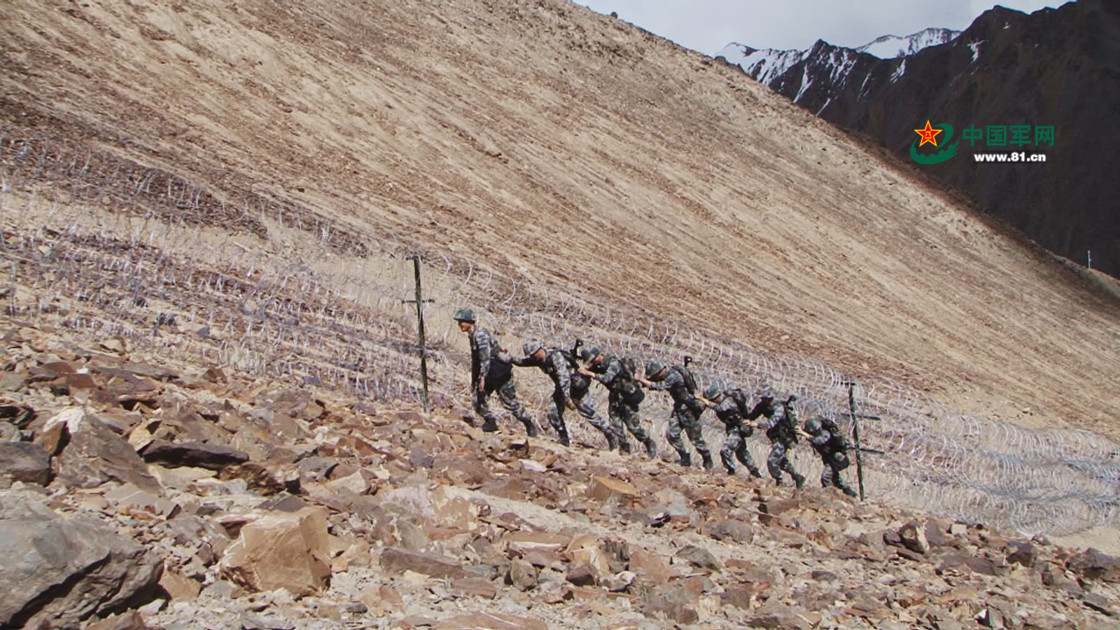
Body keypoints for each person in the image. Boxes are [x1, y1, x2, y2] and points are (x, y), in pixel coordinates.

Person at [512, 339, 617, 448]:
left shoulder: (555, 356)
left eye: (533, 354)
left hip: (576, 388)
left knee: (589, 414)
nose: (532, 357)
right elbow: (522, 362)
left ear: (539, 349)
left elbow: (564, 378)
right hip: (562, 389)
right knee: (553, 412)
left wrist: (567, 398)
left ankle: (611, 435)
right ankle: (564, 438)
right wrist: (509, 358)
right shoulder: (539, 359)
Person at [454, 308, 538, 437]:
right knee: (478, 399)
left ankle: (529, 423)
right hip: (488, 373)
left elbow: (485, 358)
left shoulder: (480, 335)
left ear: (469, 321)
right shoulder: (472, 335)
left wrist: (482, 378)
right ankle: (490, 422)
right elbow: (476, 360)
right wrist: (474, 380)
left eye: (462, 321)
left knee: (510, 403)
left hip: (499, 372)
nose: (460, 324)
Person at [579, 347, 656, 457]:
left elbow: (607, 378)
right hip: (615, 397)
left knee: (633, 427)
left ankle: (649, 443)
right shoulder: (600, 366)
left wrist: (590, 373)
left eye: (593, 359)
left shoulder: (613, 363)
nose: (593, 362)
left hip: (627, 397)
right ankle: (624, 449)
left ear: (599, 355)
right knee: (615, 424)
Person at [638, 359, 713, 469]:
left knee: (696, 439)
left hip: (689, 410)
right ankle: (684, 457)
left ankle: (707, 459)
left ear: (660, 371)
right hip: (679, 409)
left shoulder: (673, 376)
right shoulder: (668, 375)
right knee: (672, 434)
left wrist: (641, 379)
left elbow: (660, 386)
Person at [745, 386, 805, 488]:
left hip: (784, 437)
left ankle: (779, 481)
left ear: (770, 398)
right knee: (780, 461)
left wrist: (756, 424)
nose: (762, 400)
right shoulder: (762, 405)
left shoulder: (778, 408)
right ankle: (797, 477)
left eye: (764, 398)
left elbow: (770, 423)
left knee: (772, 461)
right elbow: (752, 416)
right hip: (776, 436)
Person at [703, 383, 764, 478]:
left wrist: (704, 401)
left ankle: (731, 472)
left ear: (716, 397)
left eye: (712, 400)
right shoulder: (721, 402)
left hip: (739, 428)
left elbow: (720, 408)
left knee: (726, 450)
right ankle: (756, 474)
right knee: (741, 453)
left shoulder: (728, 401)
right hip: (732, 428)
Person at [800, 417, 859, 497]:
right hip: (830, 460)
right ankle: (851, 493)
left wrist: (806, 435)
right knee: (836, 479)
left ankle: (829, 495)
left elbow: (819, 441)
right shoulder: (817, 435)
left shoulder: (825, 434)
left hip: (836, 460)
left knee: (825, 477)